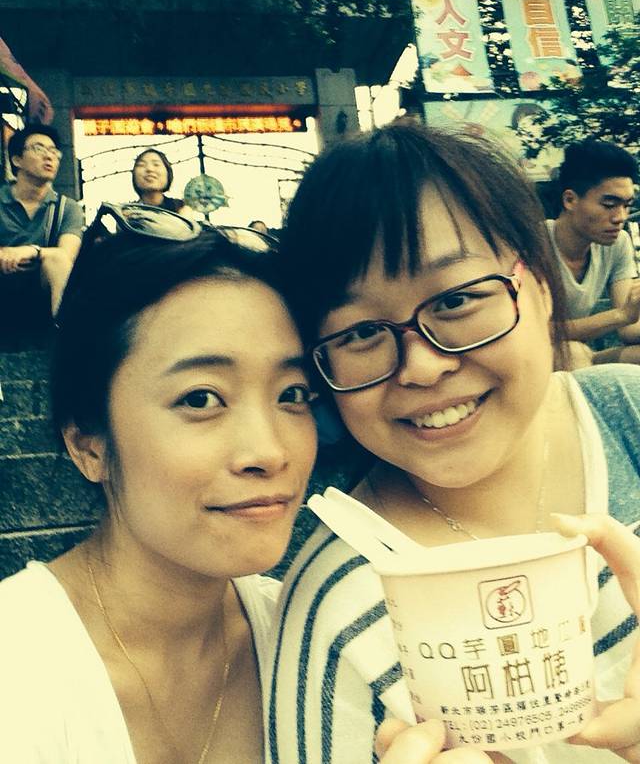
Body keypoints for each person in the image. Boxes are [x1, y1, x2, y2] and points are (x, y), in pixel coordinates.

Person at [0, 200, 492, 764]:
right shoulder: (16, 669)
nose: (269, 452)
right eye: (201, 399)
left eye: (292, 395)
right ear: (90, 444)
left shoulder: (315, 646)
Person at [267, 121, 640, 764]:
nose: (421, 366)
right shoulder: (336, 606)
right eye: (360, 333)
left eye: (457, 300)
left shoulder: (630, 416)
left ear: (539, 287)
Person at [547, 139, 640, 365]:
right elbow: (537, 330)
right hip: (529, 360)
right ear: (570, 200)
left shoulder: (618, 242)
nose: (620, 217)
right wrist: (621, 315)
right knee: (573, 353)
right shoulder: (532, 245)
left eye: (626, 205)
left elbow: (628, 329)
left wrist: (630, 313)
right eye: (609, 204)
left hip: (582, 357)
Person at [0, 123, 83, 327]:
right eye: (39, 149)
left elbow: (67, 254)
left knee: (58, 259)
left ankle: (66, 333)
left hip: (42, 289)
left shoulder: (67, 208)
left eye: (54, 151)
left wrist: (31, 251)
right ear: (17, 159)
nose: (49, 156)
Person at [131, 148, 191, 215]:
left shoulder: (181, 208)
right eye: (142, 165)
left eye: (156, 164)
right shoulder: (129, 214)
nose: (149, 169)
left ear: (168, 173)